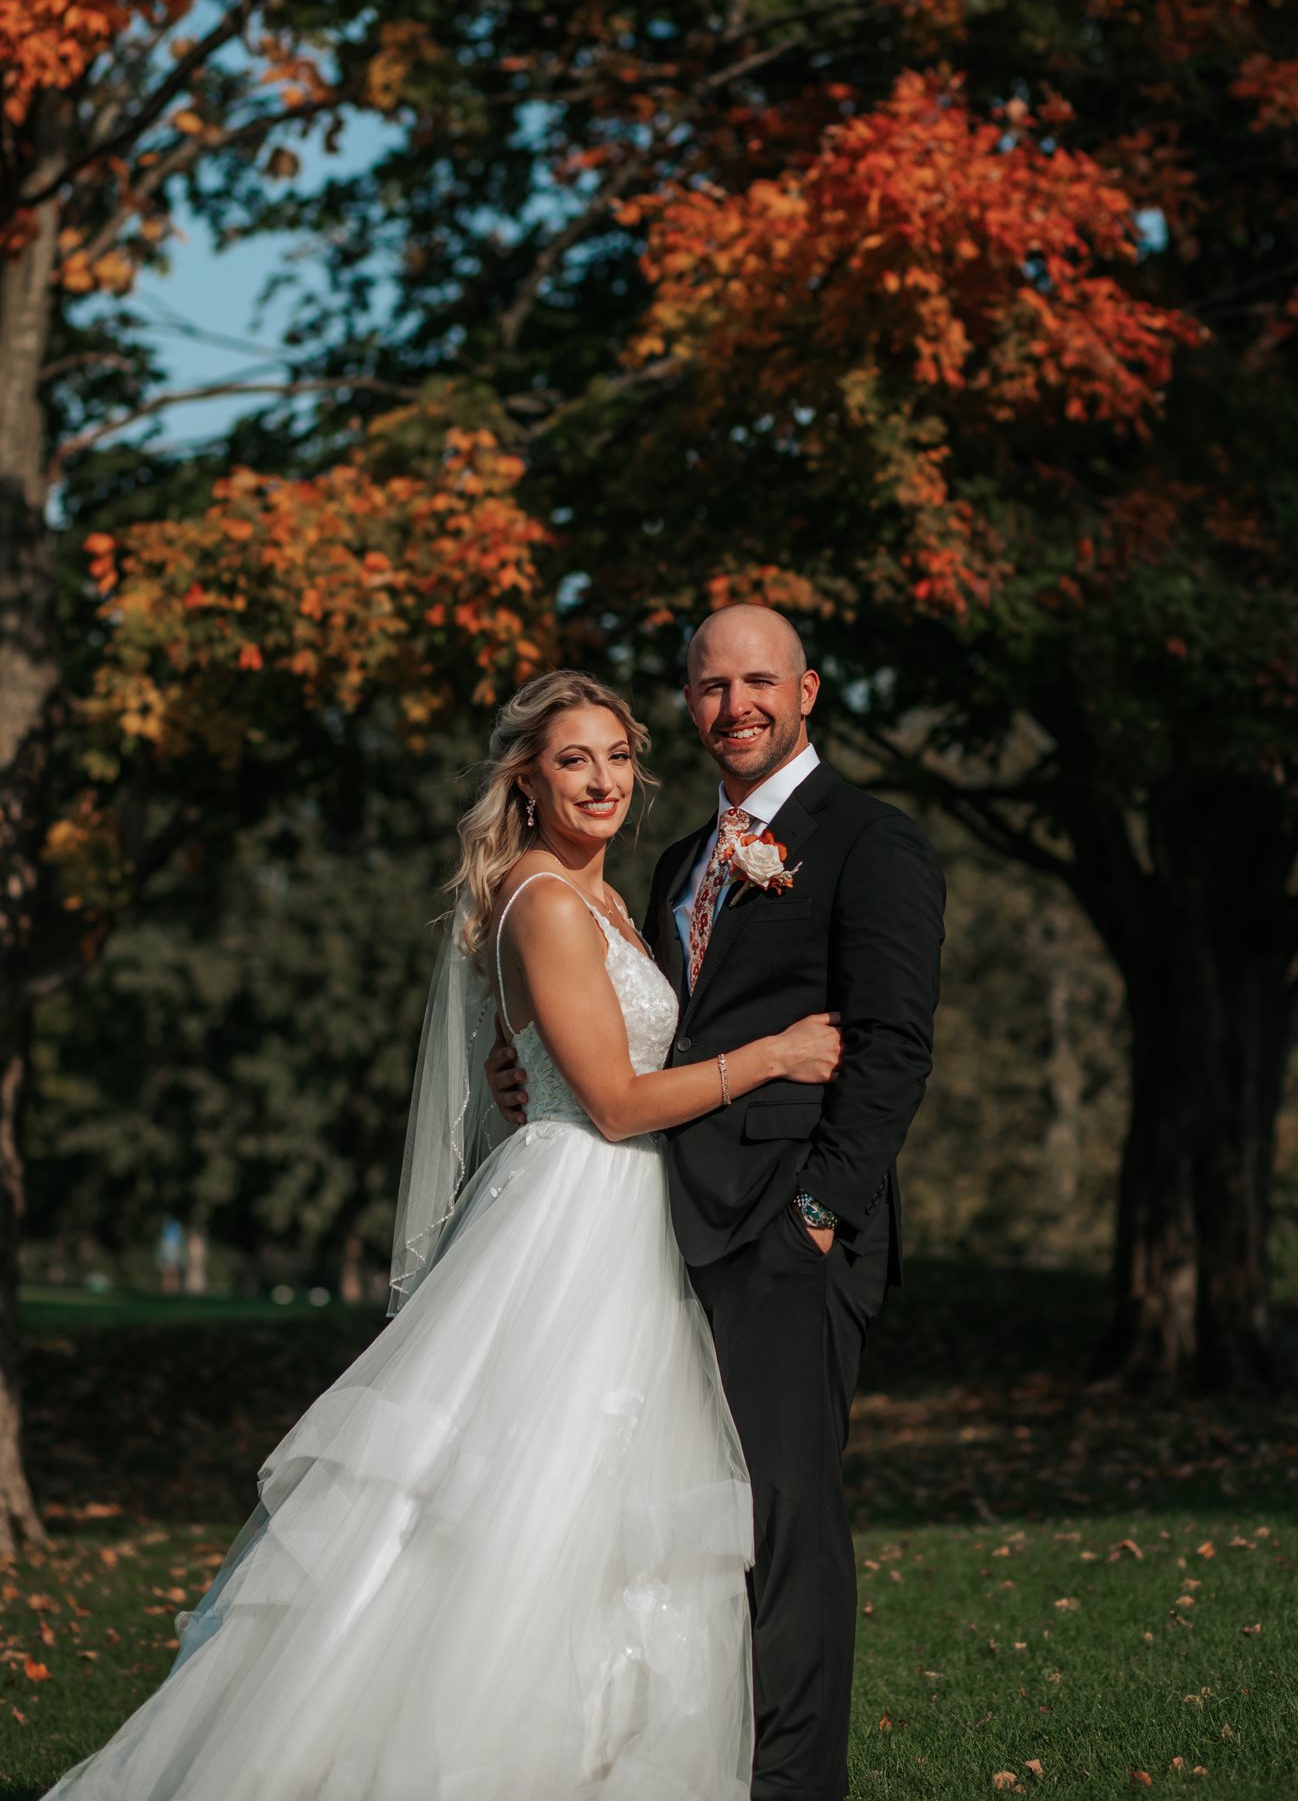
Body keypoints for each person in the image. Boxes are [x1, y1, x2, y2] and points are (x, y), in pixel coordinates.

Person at [43, 668, 841, 1801]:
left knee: (597, 1502)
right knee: (528, 1498)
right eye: (573, 759)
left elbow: (572, 1060)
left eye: (618, 756)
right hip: (579, 1217)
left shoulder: (608, 897)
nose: (602, 780)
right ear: (526, 780)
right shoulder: (548, 900)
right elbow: (616, 1103)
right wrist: (772, 1056)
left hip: (620, 1216)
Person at [488, 608, 945, 1801]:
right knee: (693, 1523)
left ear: (806, 691)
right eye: (708, 685)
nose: (733, 704)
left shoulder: (871, 841)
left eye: (757, 681)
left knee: (785, 1521)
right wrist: (528, 1061)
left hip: (790, 1229)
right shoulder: (677, 860)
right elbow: (641, 1034)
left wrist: (818, 1212)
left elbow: (891, 1048)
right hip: (661, 1226)